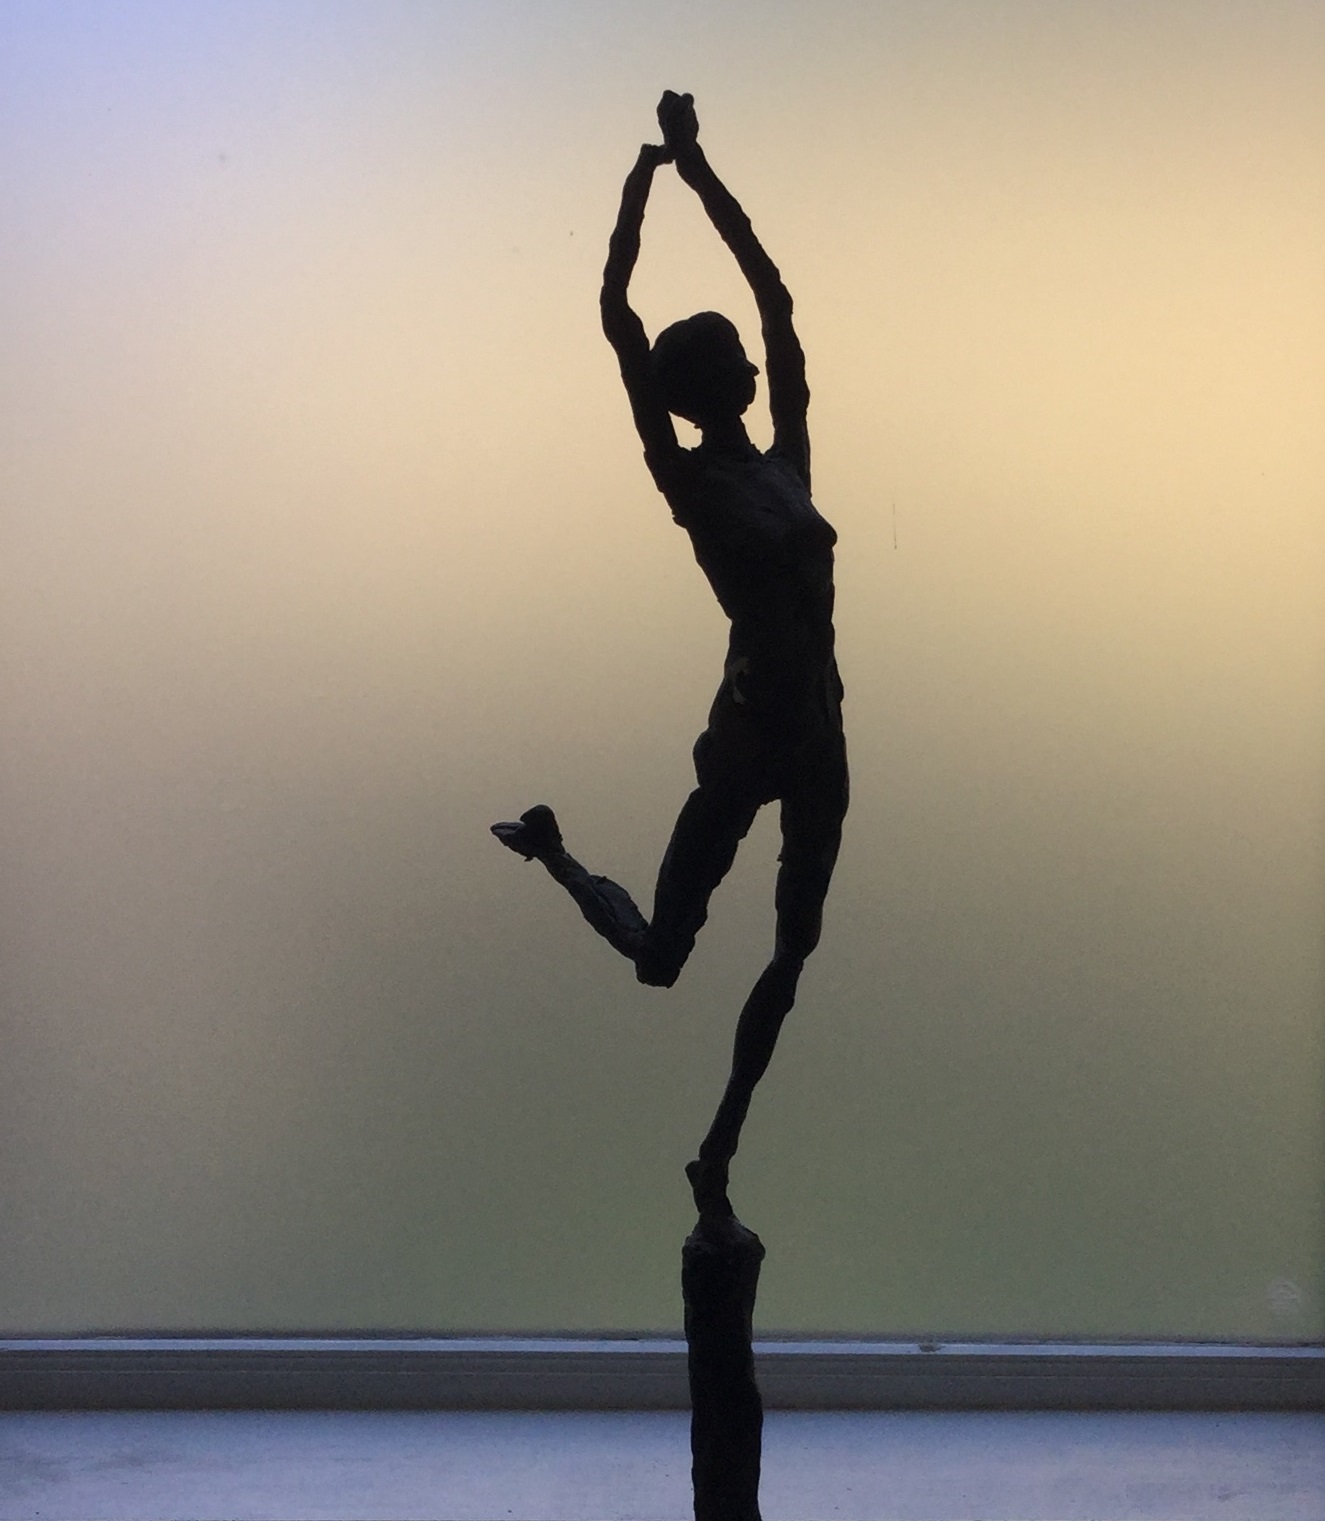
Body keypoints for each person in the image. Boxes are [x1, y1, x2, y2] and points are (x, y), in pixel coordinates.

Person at [493, 92, 846, 1219]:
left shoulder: (788, 459)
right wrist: (644, 180)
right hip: (744, 739)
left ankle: (718, 1153)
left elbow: (775, 295)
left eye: (747, 354)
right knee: (659, 959)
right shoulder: (690, 483)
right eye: (733, 357)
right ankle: (553, 853)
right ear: (702, 390)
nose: (753, 362)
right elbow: (615, 314)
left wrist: (696, 166)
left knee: (794, 949)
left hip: (820, 732)